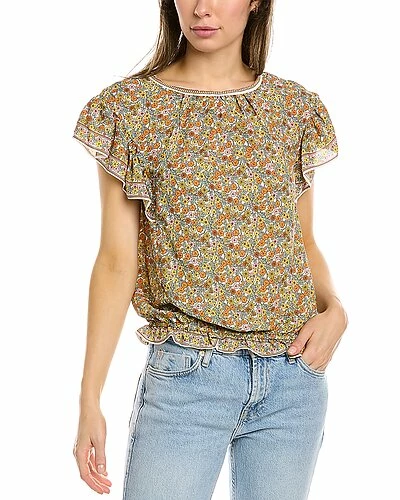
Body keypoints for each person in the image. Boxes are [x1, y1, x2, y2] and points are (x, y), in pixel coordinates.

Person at [72, 0, 349, 498]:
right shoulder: (129, 110)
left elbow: (302, 240)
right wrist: (89, 399)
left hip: (293, 380)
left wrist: (335, 309)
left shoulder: (293, 109)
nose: (203, 8)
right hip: (187, 379)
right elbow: (116, 262)